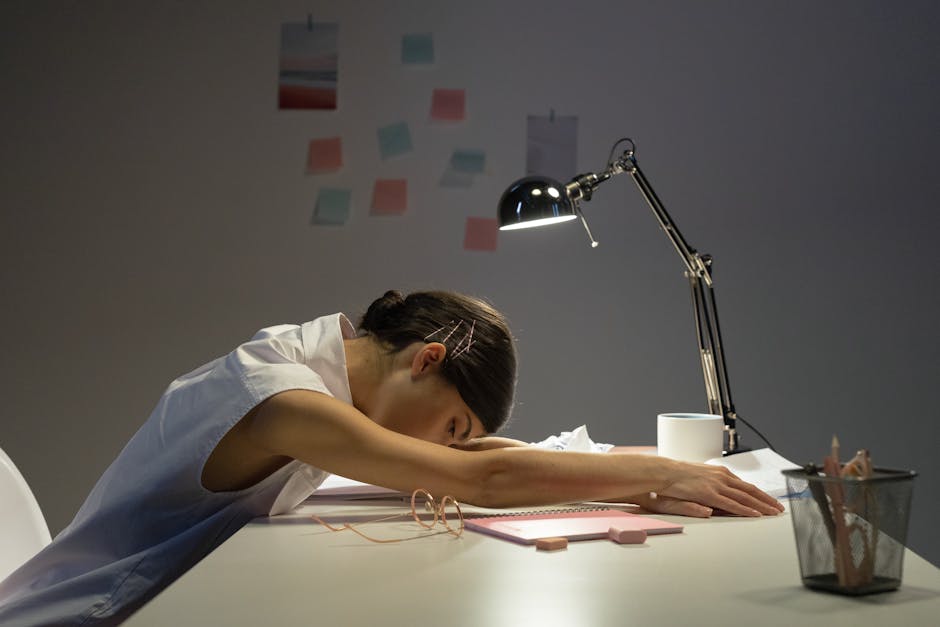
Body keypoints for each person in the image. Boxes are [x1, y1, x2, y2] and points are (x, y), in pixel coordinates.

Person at [0, 289, 782, 625]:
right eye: (452, 425)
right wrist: (656, 475)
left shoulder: (323, 361)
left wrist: (629, 459)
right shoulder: (282, 397)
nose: (439, 447)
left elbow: (487, 458)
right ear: (428, 358)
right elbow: (482, 475)